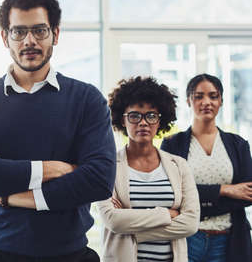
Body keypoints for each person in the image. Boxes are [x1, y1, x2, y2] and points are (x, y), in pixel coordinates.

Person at [0, 0, 116, 262]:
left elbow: (99, 180)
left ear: (56, 34)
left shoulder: (87, 99)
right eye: (19, 31)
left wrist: (7, 196)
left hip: (69, 255)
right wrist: (53, 169)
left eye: (40, 30)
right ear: (5, 37)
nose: (30, 40)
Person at [98, 76, 199, 262]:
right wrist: (166, 214)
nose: (143, 123)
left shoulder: (179, 165)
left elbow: (190, 224)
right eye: (135, 116)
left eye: (151, 116)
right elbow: (113, 220)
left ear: (160, 121)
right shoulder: (108, 165)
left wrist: (134, 231)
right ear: (123, 120)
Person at [161, 73, 252, 262]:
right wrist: (224, 190)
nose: (206, 102)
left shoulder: (238, 144)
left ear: (221, 101)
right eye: (199, 96)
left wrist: (195, 204)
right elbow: (171, 193)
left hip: (228, 240)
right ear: (188, 101)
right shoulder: (172, 145)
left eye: (213, 96)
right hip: (187, 238)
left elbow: (247, 195)